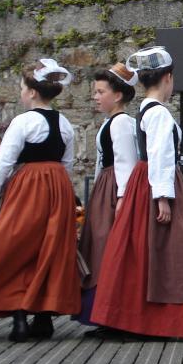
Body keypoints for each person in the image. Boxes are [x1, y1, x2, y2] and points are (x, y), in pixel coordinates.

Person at [91, 46, 183, 340]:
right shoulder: (157, 112)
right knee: (171, 253)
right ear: (168, 78)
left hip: (143, 183)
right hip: (156, 184)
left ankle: (133, 317)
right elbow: (160, 155)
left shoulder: (145, 108)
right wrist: (163, 197)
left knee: (140, 252)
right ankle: (160, 320)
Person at [0, 59, 80, 342]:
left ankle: (19, 316)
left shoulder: (23, 121)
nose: (21, 93)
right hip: (58, 185)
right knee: (50, 248)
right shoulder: (65, 123)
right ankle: (43, 316)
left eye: (22, 88)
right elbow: (68, 163)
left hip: (29, 185)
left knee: (13, 245)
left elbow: (2, 164)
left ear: (33, 92)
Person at [75, 63, 138, 332]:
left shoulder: (122, 122)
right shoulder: (111, 122)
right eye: (96, 92)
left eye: (101, 91)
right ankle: (100, 312)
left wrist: (122, 197)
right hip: (106, 187)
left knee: (106, 248)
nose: (96, 96)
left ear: (119, 95)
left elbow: (127, 161)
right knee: (98, 248)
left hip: (114, 189)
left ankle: (111, 312)